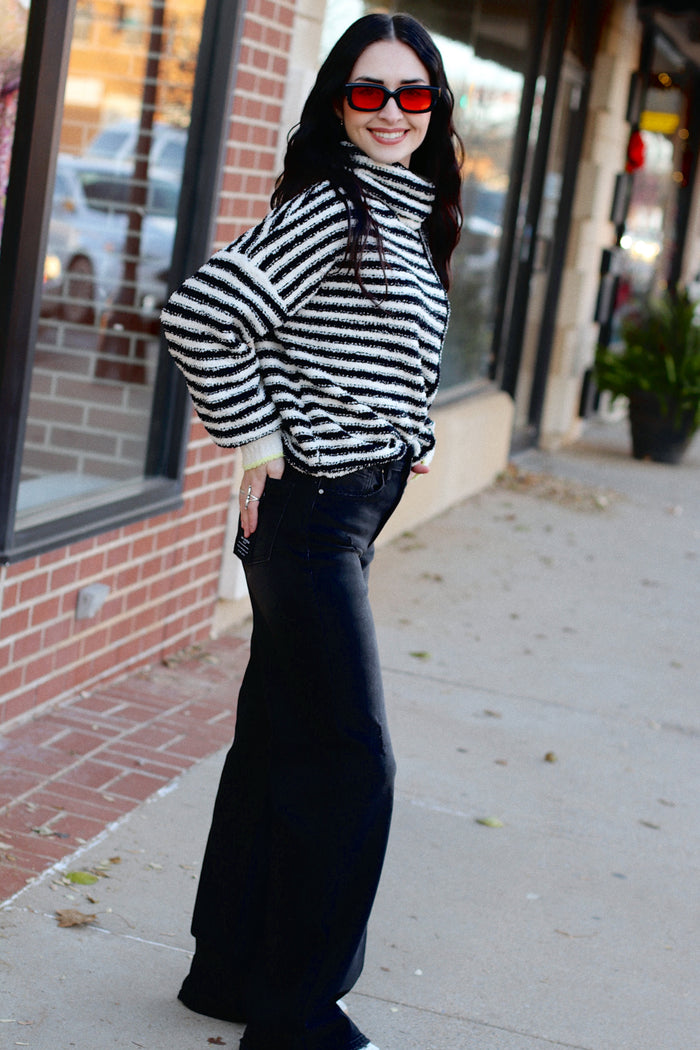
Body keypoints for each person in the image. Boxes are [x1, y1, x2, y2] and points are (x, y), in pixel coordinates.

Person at [160, 12, 463, 1050]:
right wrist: (254, 442)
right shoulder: (335, 203)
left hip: (345, 507)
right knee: (351, 760)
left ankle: (231, 974)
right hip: (311, 517)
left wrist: (405, 430)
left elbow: (374, 351)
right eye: (368, 92)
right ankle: (295, 1018)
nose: (390, 112)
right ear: (338, 102)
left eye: (411, 94)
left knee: (282, 746)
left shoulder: (404, 210)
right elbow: (202, 313)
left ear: (436, 108)